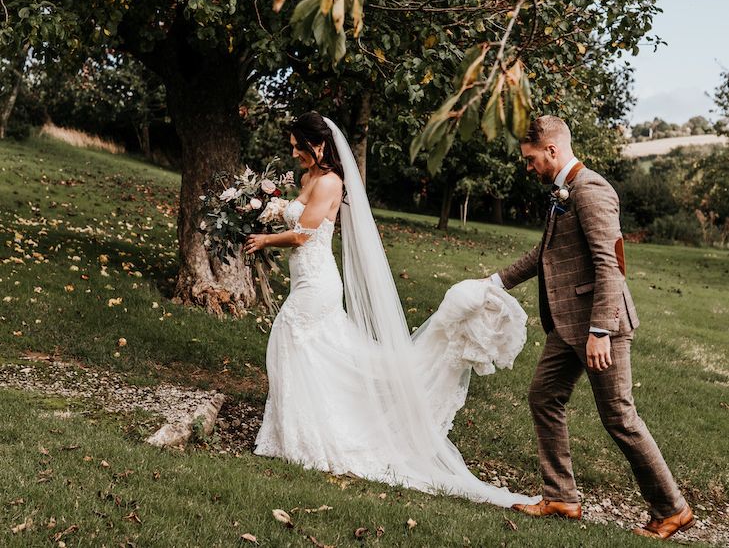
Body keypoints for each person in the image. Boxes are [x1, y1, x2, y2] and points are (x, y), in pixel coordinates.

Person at [245, 111, 538, 507]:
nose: (294, 152)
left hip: (318, 284)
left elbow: (304, 234)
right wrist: (261, 207)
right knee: (311, 354)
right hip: (306, 281)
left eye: (299, 146)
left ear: (318, 145)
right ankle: (295, 431)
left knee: (289, 339)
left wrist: (264, 240)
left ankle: (311, 437)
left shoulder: (331, 180)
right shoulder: (308, 178)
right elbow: (294, 211)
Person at [490, 115, 693, 540]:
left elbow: (610, 263)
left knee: (619, 416)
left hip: (602, 327)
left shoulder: (592, 189)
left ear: (552, 150)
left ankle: (672, 509)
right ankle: (561, 496)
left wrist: (601, 329)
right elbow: (544, 254)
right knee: (544, 396)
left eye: (531, 159)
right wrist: (494, 282)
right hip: (569, 327)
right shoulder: (563, 193)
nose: (528, 167)